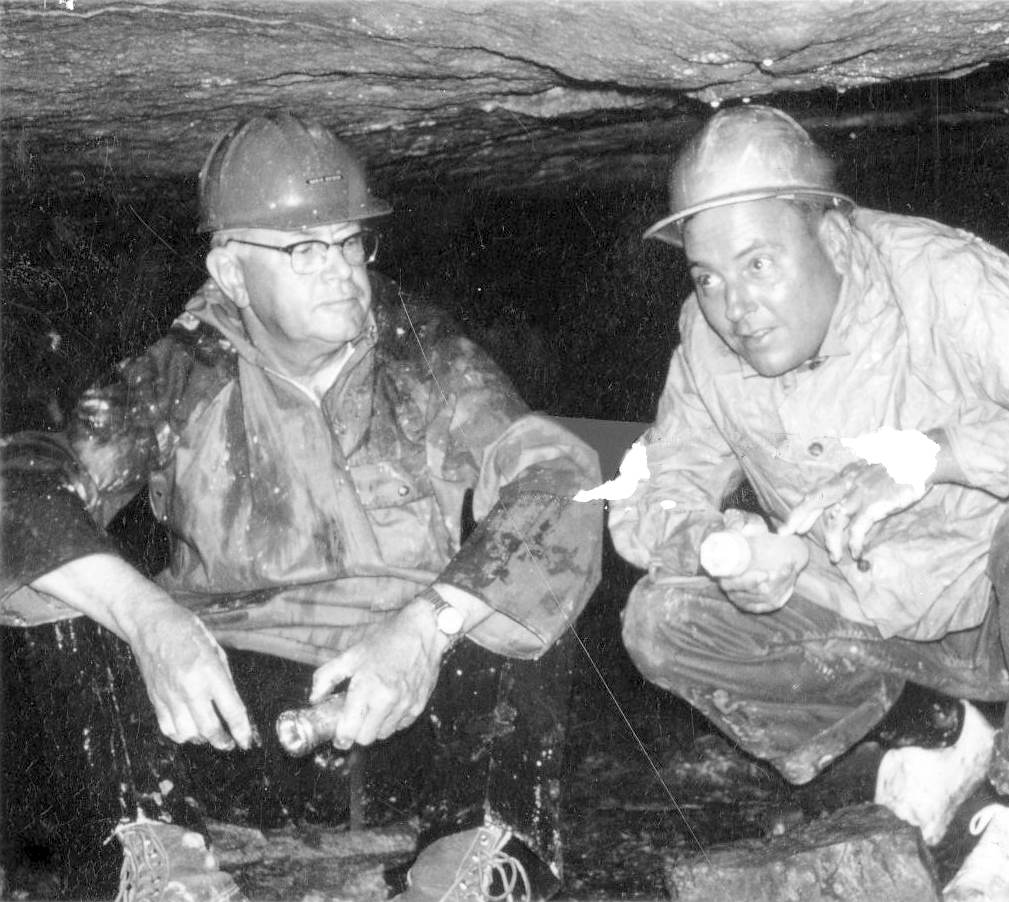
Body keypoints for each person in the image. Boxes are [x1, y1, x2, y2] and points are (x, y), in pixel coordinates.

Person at [0, 112, 602, 902]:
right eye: (305, 250)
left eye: (350, 242)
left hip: (410, 715)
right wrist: (148, 619)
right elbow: (19, 486)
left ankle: (480, 858)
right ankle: (149, 857)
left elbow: (560, 477)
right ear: (231, 272)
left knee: (534, 571)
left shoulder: (426, 357)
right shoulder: (178, 374)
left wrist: (427, 626)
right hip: (224, 728)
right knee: (49, 578)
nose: (341, 271)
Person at [609, 105, 1009, 901]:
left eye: (758, 264)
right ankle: (941, 733)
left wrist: (936, 455)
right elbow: (652, 490)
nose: (734, 308)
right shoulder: (707, 341)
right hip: (892, 626)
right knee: (664, 618)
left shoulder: (941, 281)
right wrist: (723, 545)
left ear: (829, 235)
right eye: (706, 276)